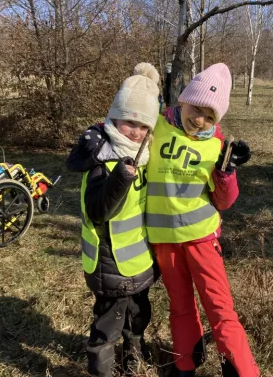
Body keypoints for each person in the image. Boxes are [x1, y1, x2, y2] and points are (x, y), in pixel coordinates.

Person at [145, 63, 259, 376]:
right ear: (182, 100)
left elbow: (225, 201)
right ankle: (185, 366)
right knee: (180, 306)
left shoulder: (216, 146)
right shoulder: (154, 126)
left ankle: (241, 370)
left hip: (202, 241)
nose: (200, 120)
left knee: (220, 309)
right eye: (196, 108)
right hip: (164, 240)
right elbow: (122, 126)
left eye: (210, 116)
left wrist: (227, 172)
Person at [66, 63, 160, 377]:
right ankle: (100, 369)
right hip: (108, 266)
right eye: (128, 121)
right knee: (106, 325)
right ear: (113, 118)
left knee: (137, 314)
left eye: (143, 125)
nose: (135, 131)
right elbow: (98, 209)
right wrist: (120, 177)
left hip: (139, 263)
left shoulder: (146, 158)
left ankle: (133, 355)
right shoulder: (101, 158)